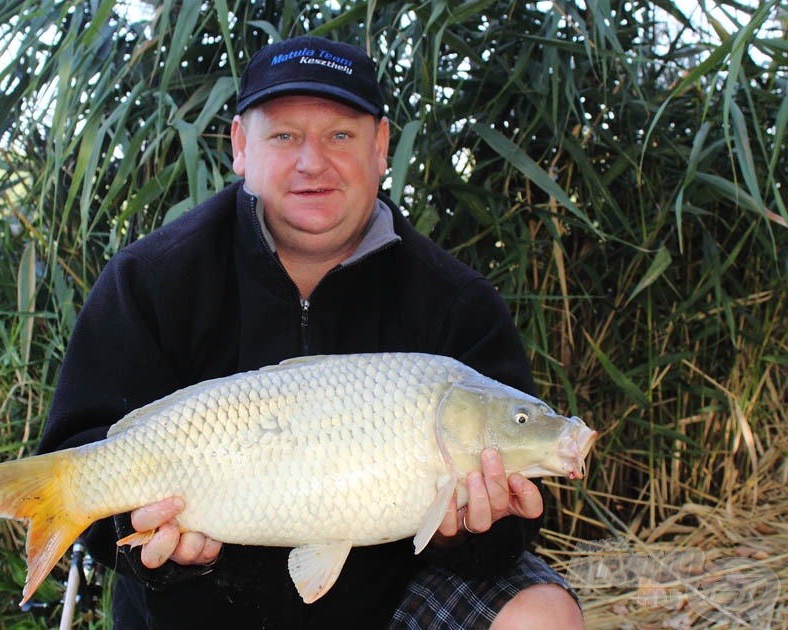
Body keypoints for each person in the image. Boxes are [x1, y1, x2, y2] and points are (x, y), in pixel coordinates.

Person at [38, 35, 583, 629]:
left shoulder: (458, 304)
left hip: (388, 607)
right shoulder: (151, 280)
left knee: (541, 614)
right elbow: (81, 451)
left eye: (340, 136)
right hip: (197, 612)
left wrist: (474, 532)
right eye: (285, 136)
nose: (311, 162)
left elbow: (510, 536)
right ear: (241, 147)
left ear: (381, 147)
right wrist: (154, 550)